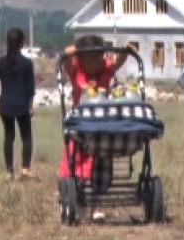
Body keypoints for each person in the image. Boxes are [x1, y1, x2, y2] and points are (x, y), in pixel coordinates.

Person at [58, 35, 135, 221]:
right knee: (75, 161)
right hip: (81, 123)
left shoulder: (106, 69)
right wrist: (69, 52)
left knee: (102, 161)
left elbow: (117, 62)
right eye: (89, 59)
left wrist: (125, 51)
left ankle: (97, 202)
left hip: (102, 123)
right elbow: (66, 61)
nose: (94, 63)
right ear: (80, 59)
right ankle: (75, 196)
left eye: (97, 58)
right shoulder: (76, 71)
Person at [0, 28, 36, 181]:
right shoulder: (27, 63)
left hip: (6, 104)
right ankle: (25, 168)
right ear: (22, 43)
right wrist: (30, 105)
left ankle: (9, 171)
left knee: (9, 137)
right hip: (22, 104)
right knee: (26, 136)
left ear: (7, 43)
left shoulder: (0, 62)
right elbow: (30, 88)